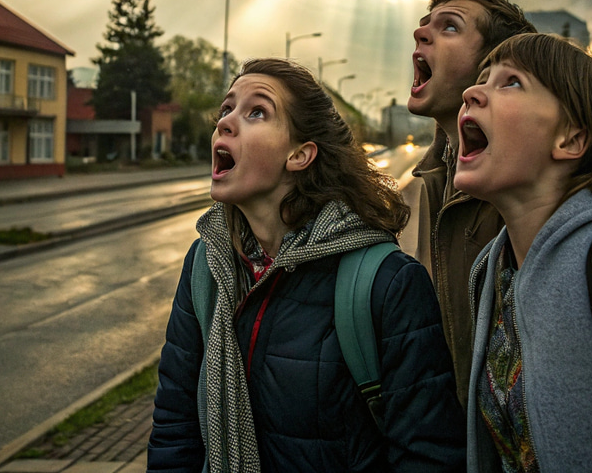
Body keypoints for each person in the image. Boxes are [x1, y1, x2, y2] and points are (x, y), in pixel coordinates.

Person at [147, 58, 466, 473]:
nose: (225, 123)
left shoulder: (387, 284)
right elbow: (175, 428)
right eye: (226, 110)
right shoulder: (207, 265)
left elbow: (428, 455)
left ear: (300, 154)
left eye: (256, 112)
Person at [457, 32, 592, 472]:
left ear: (571, 139)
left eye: (511, 82)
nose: (470, 93)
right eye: (482, 79)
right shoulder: (490, 272)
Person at [405, 0, 536, 406]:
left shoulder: (524, 187)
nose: (420, 33)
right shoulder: (431, 182)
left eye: (449, 28)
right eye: (425, 25)